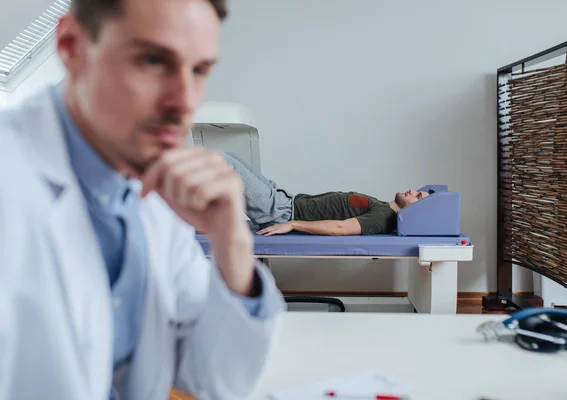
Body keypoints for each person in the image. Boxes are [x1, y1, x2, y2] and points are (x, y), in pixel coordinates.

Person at [0, 1, 286, 399]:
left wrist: (233, 244)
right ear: (71, 46)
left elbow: (210, 383)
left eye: (199, 70)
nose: (184, 101)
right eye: (153, 60)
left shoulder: (151, 198)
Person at [223, 153, 433, 236]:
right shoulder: (381, 206)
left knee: (223, 161)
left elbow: (340, 228)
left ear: (417, 209)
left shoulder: (381, 218)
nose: (412, 191)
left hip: (279, 212)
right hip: (283, 199)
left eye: (418, 197)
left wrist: (293, 224)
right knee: (232, 157)